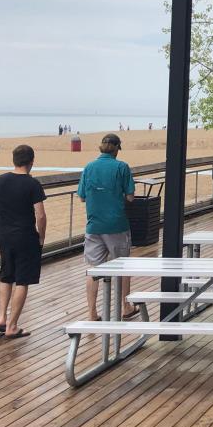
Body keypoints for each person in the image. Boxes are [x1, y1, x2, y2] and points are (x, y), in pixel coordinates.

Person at [77, 133, 136, 320]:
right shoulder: (122, 167)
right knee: (122, 266)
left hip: (93, 225)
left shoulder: (89, 167)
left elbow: (81, 196)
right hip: (117, 224)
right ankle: (125, 307)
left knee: (94, 269)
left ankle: (92, 313)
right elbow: (130, 196)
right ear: (117, 149)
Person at [0, 144, 46, 339]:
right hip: (25, 235)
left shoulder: (1, 180)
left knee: (6, 275)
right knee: (23, 280)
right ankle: (12, 325)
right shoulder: (32, 184)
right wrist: (41, 236)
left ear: (14, 160)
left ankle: (1, 318)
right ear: (32, 161)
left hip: (4, 234)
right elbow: (40, 215)